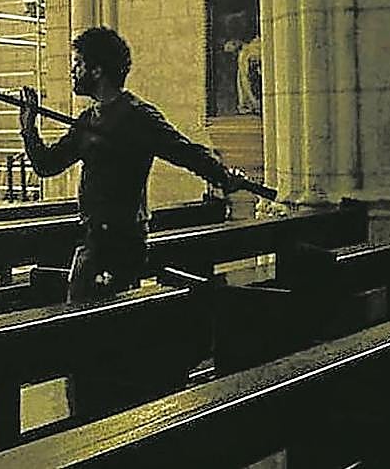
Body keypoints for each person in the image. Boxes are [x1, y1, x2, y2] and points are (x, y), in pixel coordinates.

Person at [20, 27, 245, 304]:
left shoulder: (138, 116)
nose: (73, 71)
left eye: (78, 63)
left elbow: (183, 151)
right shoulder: (87, 120)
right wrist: (29, 129)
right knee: (81, 314)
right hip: (92, 236)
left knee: (99, 321)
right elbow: (47, 165)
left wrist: (223, 177)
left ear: (98, 70)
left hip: (123, 240)